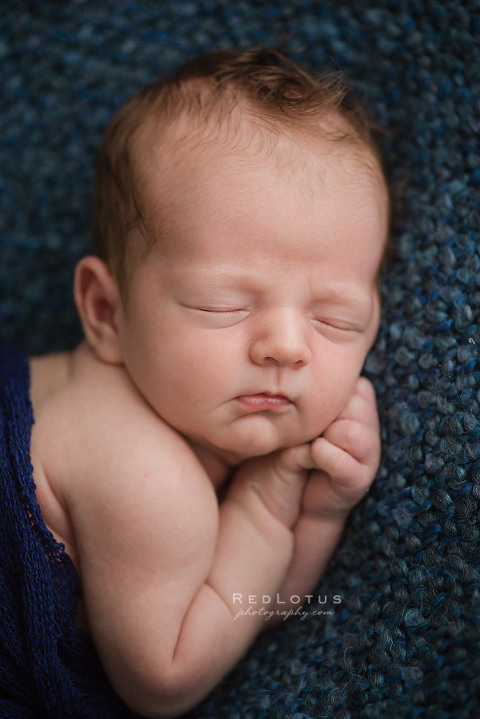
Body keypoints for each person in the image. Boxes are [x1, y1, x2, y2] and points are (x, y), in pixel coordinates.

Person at [24, 48, 388, 717]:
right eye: (223, 305)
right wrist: (269, 504)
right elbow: (169, 673)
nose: (285, 345)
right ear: (106, 311)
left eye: (337, 318)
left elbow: (244, 610)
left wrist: (319, 510)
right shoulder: (141, 471)